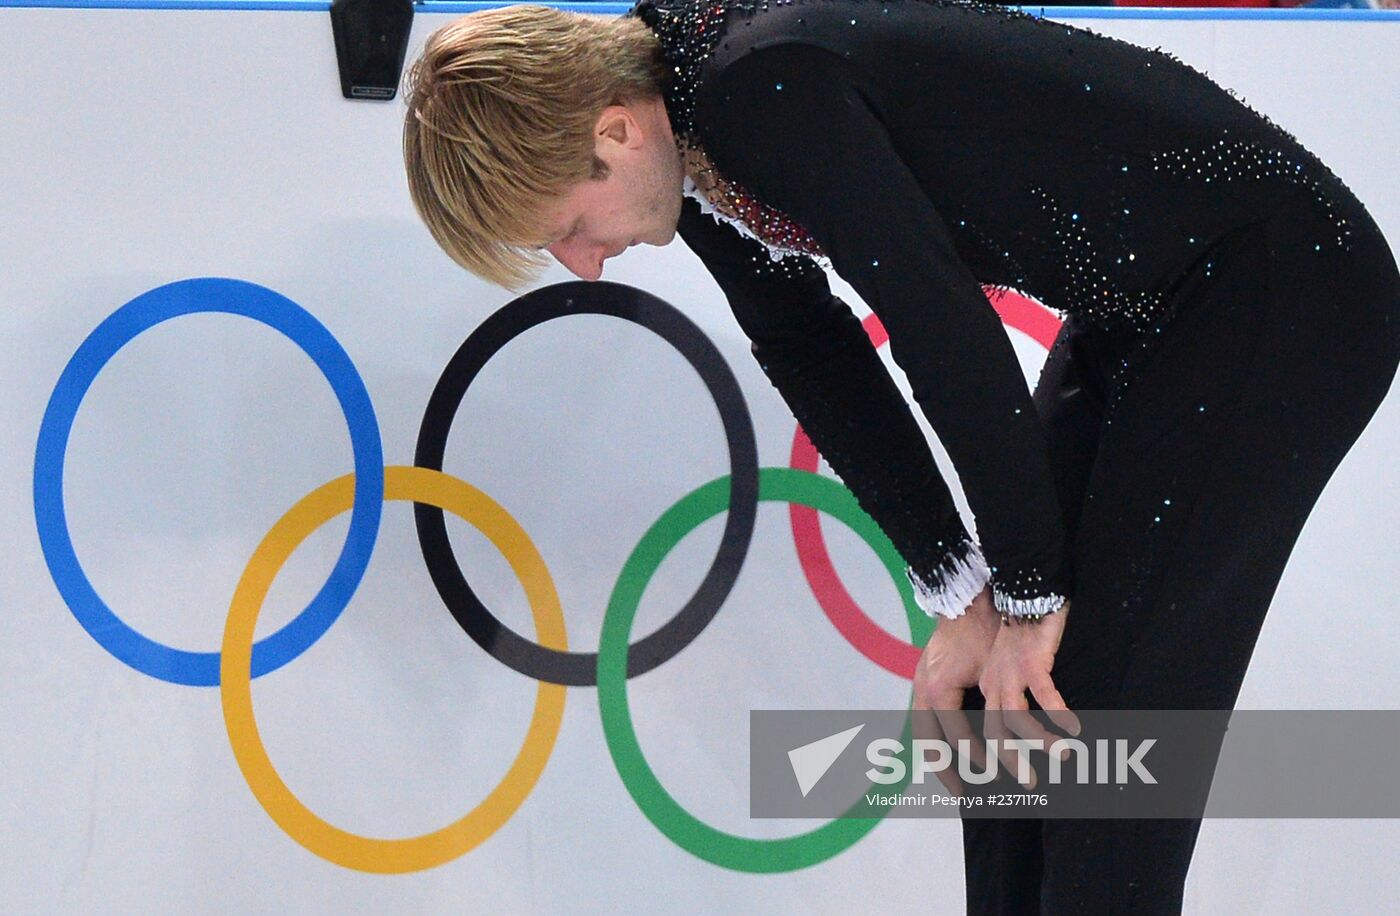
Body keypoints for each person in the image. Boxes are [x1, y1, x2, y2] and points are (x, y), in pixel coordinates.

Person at [401, 1, 1400, 912]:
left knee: (1085, 721)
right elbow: (809, 347)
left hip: (1280, 287)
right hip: (1149, 313)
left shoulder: (753, 89)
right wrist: (964, 592)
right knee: (995, 703)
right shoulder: (693, 130)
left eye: (570, 228)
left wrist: (1027, 591)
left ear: (610, 130)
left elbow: (938, 325)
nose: (583, 262)